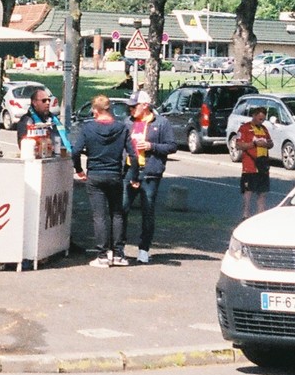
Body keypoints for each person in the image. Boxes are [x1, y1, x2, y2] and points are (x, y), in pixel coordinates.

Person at [74, 94, 138, 266]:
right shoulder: (122, 128)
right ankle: (118, 253)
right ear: (109, 109)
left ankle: (102, 255)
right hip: (115, 175)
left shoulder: (88, 128)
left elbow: (76, 151)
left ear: (95, 110)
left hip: (95, 175)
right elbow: (133, 154)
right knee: (117, 214)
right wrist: (133, 174)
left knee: (99, 216)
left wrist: (79, 169)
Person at [125, 93, 178, 263]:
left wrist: (151, 146)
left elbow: (172, 146)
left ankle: (144, 248)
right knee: (122, 208)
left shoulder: (161, 123)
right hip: (129, 171)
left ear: (145, 105)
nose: (131, 109)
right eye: (130, 106)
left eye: (135, 106)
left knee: (148, 211)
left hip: (150, 172)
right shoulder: (128, 122)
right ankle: (118, 246)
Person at [236, 105, 275, 218]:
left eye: (263, 119)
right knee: (248, 191)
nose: (261, 121)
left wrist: (268, 144)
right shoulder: (245, 128)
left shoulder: (264, 129)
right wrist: (254, 144)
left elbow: (270, 143)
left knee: (263, 193)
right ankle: (245, 215)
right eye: (259, 119)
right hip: (250, 166)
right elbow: (238, 145)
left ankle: (260, 215)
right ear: (254, 116)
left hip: (263, 165)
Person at [15, 87, 71, 156]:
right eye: (44, 100)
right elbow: (23, 146)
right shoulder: (27, 120)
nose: (47, 103)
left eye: (49, 100)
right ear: (34, 102)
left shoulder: (53, 119)